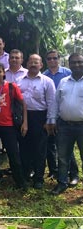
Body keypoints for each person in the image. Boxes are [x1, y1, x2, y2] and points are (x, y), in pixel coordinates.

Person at [17, 54, 56, 190]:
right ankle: (26, 174)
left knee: (40, 149)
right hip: (23, 118)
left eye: (36, 62)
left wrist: (49, 121)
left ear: (41, 65)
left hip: (40, 117)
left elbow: (51, 102)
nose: (33, 64)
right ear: (27, 64)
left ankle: (39, 178)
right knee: (24, 147)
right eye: (31, 61)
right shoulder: (20, 80)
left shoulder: (47, 81)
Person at [50, 53, 83, 196]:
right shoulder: (63, 81)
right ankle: (62, 183)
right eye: (73, 62)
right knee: (62, 156)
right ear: (69, 64)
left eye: (79, 62)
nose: (76, 65)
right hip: (64, 125)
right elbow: (55, 103)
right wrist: (52, 120)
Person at [43, 49, 76, 182]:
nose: (52, 61)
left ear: (59, 59)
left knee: (66, 146)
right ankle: (53, 171)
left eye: (54, 58)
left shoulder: (68, 73)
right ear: (46, 61)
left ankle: (73, 173)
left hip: (65, 115)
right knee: (50, 144)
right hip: (50, 114)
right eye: (49, 58)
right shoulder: (44, 75)